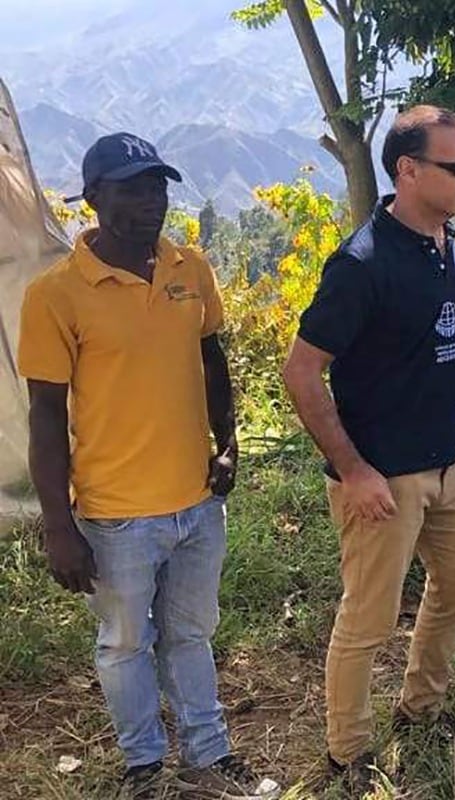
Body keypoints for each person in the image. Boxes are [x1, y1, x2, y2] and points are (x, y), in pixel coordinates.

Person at [18, 133, 279, 799]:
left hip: (197, 501)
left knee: (190, 635)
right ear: (94, 197)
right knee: (125, 645)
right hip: (115, 515)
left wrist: (229, 443)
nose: (151, 203)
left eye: (157, 187)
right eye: (133, 189)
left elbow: (211, 359)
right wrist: (58, 523)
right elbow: (45, 415)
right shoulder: (56, 294)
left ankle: (208, 753)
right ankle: (143, 768)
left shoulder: (188, 268)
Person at [281, 105, 455, 790]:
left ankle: (422, 706)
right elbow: (300, 370)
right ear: (407, 171)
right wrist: (352, 470)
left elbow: (435, 339)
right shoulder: (361, 264)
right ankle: (349, 750)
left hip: (447, 459)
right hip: (382, 476)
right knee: (369, 617)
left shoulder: (448, 243)